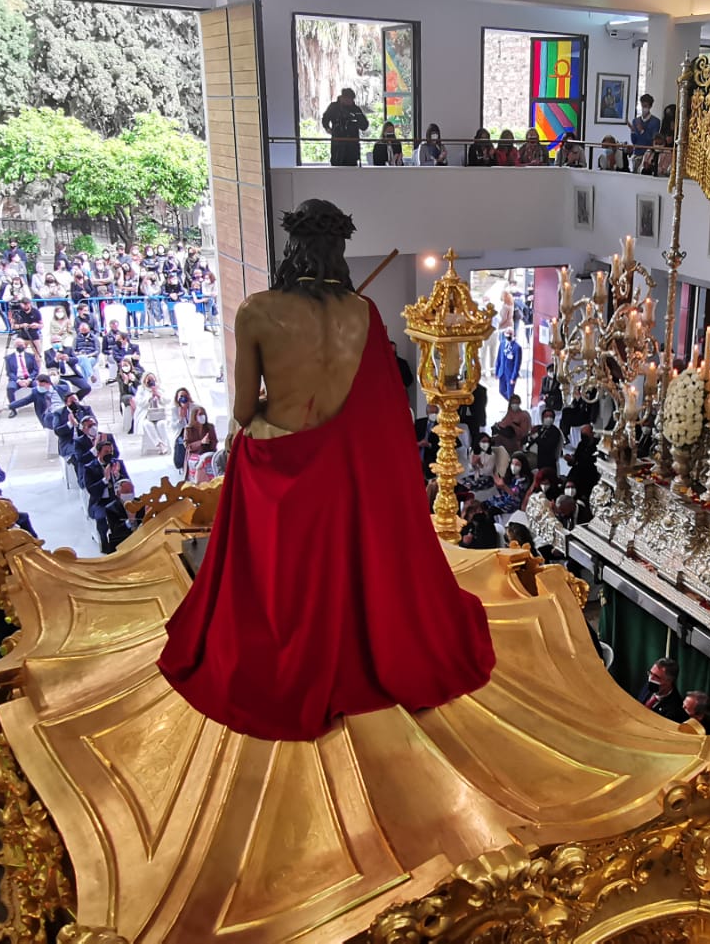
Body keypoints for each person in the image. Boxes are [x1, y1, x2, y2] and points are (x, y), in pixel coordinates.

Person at [160, 199, 494, 742]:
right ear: (339, 251)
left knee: (268, 550)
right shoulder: (363, 313)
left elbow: (245, 411)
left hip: (279, 461)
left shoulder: (256, 311)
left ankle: (281, 648)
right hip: (340, 469)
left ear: (292, 247)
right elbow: (382, 407)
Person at [321, 87, 368, 167]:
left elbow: (364, 126)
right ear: (342, 97)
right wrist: (328, 128)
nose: (349, 101)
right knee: (336, 167)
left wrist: (356, 117)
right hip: (338, 145)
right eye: (347, 99)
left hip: (352, 146)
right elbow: (325, 119)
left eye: (351, 99)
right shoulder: (334, 107)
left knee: (351, 170)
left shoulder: (356, 109)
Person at [635, 658, 684, 722]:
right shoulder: (649, 686)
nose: (650, 679)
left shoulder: (676, 709)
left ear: (669, 681)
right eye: (650, 673)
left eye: (656, 677)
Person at [182, 405, 222, 482]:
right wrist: (201, 442)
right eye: (200, 414)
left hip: (208, 454)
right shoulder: (188, 429)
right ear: (194, 416)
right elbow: (187, 446)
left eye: (203, 414)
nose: (202, 416)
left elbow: (215, 442)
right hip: (194, 455)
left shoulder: (210, 427)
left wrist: (209, 442)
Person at [137, 373, 170, 454]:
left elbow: (168, 400)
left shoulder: (161, 388)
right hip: (147, 415)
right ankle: (159, 444)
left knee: (161, 424)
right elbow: (139, 402)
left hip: (160, 414)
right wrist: (150, 397)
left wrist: (158, 395)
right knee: (147, 425)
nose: (151, 382)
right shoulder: (141, 389)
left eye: (152, 379)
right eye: (149, 380)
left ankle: (165, 445)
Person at [628, 93, 661, 170]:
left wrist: (642, 131)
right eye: (642, 105)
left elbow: (653, 140)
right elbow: (634, 141)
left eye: (646, 106)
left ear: (650, 106)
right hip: (636, 154)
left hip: (648, 155)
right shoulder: (635, 121)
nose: (644, 108)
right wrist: (632, 131)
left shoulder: (656, 121)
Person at [495, 328, 522, 401]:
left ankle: (512, 407)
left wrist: (514, 377)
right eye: (507, 333)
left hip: (510, 374)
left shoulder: (517, 347)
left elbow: (517, 364)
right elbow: (498, 359)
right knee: (501, 391)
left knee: (510, 393)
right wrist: (496, 372)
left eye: (510, 334)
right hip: (502, 373)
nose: (508, 335)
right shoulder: (502, 344)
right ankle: (513, 403)